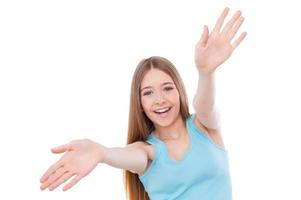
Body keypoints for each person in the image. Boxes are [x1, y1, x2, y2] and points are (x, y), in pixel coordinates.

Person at [40, 7, 246, 200]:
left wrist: (206, 73)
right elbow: (128, 156)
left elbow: (204, 105)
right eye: (148, 93)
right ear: (139, 103)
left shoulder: (205, 127)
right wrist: (101, 152)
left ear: (179, 91)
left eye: (167, 88)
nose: (159, 100)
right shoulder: (146, 151)